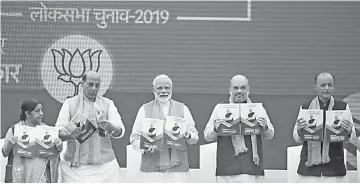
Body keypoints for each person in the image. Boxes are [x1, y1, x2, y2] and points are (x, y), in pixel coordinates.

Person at [55, 71, 125, 183]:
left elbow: (120, 131)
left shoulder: (108, 104)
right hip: (74, 169)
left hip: (105, 169)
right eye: (90, 84)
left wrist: (111, 127)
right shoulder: (70, 103)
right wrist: (70, 135)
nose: (94, 88)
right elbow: (58, 131)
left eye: (97, 85)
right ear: (82, 83)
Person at [204, 75, 274, 183]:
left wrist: (265, 126)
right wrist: (216, 129)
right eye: (236, 88)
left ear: (248, 90)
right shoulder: (220, 109)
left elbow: (270, 135)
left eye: (243, 88)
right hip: (227, 170)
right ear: (230, 90)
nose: (239, 91)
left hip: (251, 168)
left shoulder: (258, 108)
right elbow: (207, 136)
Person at [129, 74, 199, 182]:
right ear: (153, 90)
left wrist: (188, 135)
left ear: (171, 89)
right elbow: (134, 138)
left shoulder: (183, 108)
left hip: (178, 171)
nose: (163, 91)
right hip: (152, 170)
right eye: (159, 88)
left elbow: (195, 137)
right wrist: (145, 148)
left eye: (166, 88)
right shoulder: (144, 109)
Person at [293, 72, 356, 183]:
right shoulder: (306, 107)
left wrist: (349, 130)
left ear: (334, 87)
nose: (327, 88)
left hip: (334, 169)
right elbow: (297, 138)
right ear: (315, 87)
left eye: (330, 85)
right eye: (323, 85)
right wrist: (299, 129)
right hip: (309, 170)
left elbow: (352, 137)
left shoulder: (342, 107)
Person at [2, 99, 63, 183]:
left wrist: (59, 147)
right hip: (20, 175)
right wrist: (10, 144)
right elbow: (4, 153)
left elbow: (55, 153)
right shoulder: (14, 130)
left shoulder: (47, 130)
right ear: (27, 114)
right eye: (37, 111)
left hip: (41, 177)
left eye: (41, 110)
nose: (41, 113)